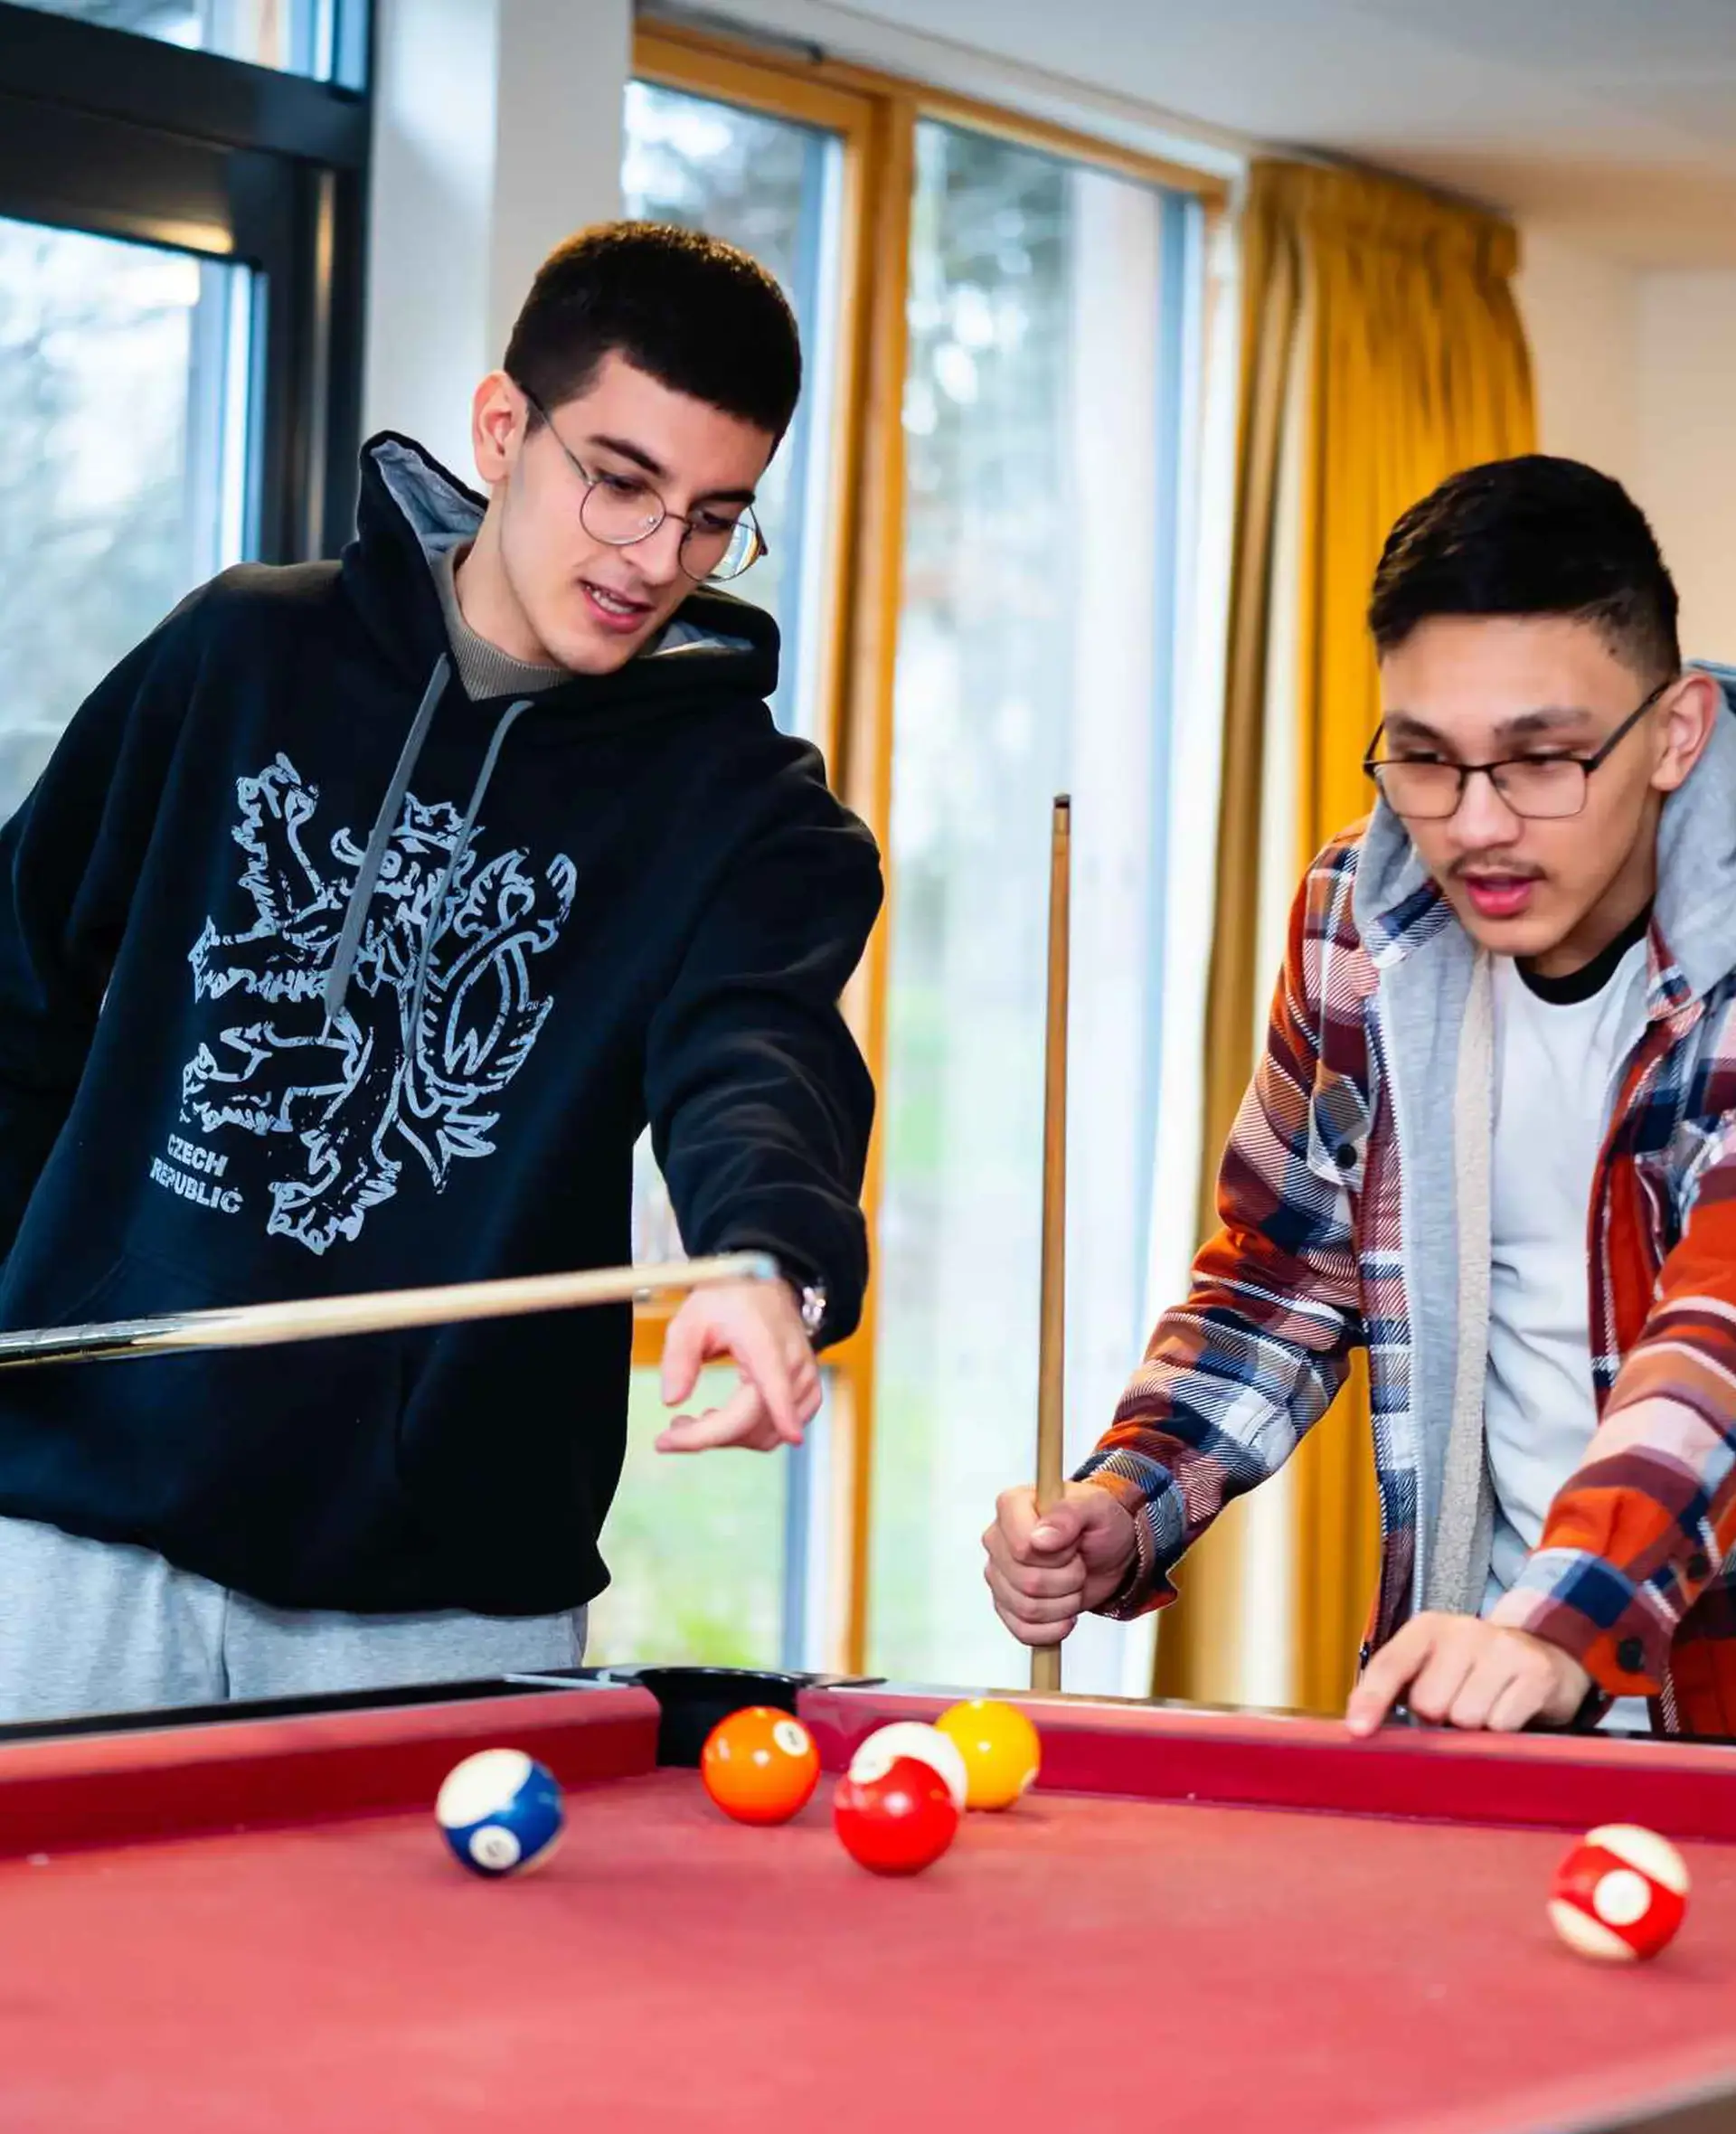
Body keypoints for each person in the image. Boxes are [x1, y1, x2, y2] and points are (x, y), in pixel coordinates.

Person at [0, 222, 881, 1721]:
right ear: (501, 430)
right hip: (78, 1512)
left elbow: (760, 1057)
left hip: (431, 1588)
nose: (654, 559)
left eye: (713, 516)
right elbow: (16, 986)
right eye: (619, 481)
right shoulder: (236, 656)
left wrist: (762, 1260)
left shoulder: (745, 809)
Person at [987, 456, 1736, 1739]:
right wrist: (1130, 1498)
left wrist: (1566, 1618)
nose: (1477, 825)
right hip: (1482, 1698)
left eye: (1542, 759)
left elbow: (1720, 1336)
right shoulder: (1362, 916)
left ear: (1674, 734)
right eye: (1427, 759)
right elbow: (1287, 1272)